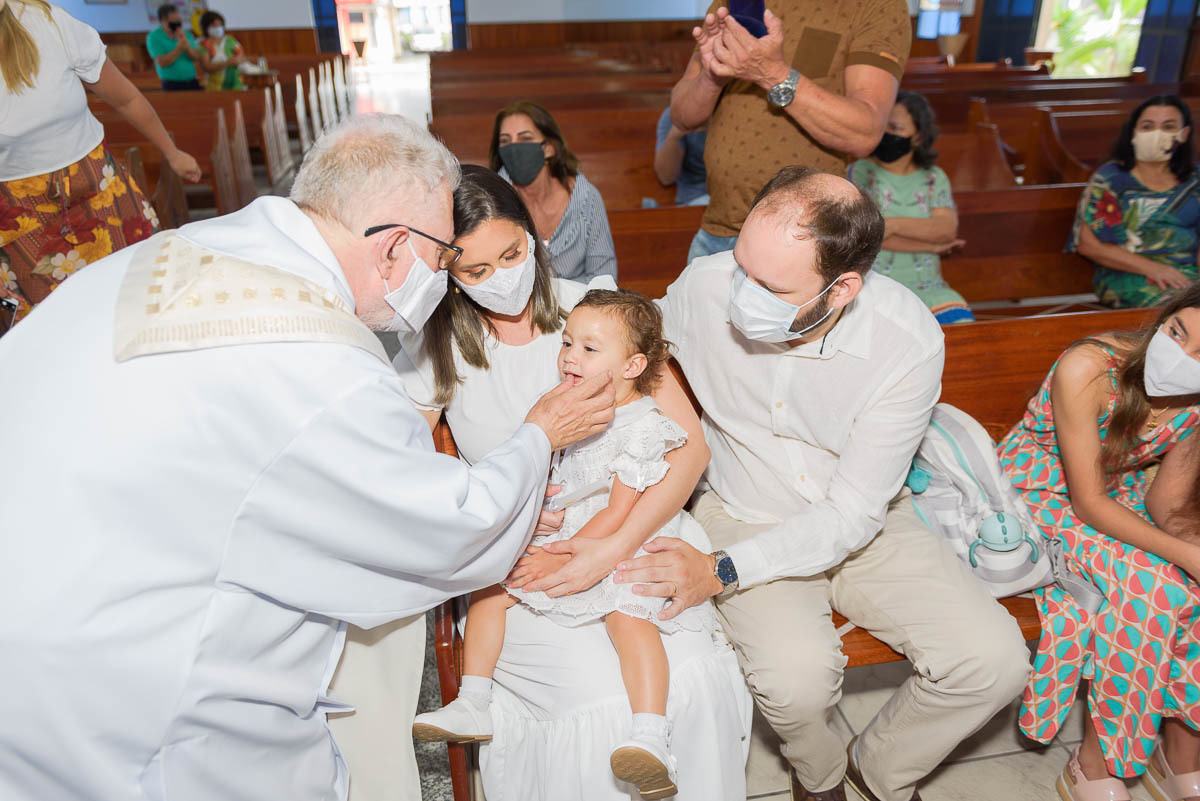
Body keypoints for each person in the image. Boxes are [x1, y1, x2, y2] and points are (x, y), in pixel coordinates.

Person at [0, 114, 616, 801]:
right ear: (393, 249)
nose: (444, 279)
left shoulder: (182, 249)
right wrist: (538, 433)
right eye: (443, 259)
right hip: (122, 696)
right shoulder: (322, 361)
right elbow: (451, 529)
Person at [600, 166, 1031, 801]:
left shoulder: (905, 340)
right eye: (741, 264)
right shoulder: (706, 284)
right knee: (795, 681)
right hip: (746, 505)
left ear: (842, 289)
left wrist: (719, 571)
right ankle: (821, 776)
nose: (740, 291)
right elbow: (639, 346)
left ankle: (878, 769)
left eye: (770, 285)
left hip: (869, 521)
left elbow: (853, 512)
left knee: (992, 663)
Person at [394, 165, 751, 801]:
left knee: (692, 675)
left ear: (531, 235)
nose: (502, 277)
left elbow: (688, 449)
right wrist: (499, 512)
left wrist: (611, 547)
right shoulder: (437, 343)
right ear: (445, 270)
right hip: (517, 546)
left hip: (634, 526)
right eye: (474, 271)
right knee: (599, 699)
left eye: (511, 252)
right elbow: (409, 462)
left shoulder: (599, 311)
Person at [414, 288, 718, 800]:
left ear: (633, 365)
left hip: (617, 536)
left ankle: (650, 734)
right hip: (565, 524)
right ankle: (474, 700)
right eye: (568, 343)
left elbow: (620, 510)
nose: (571, 357)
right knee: (492, 591)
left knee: (629, 620)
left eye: (589, 349)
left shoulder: (643, 426)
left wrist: (569, 549)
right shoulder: (565, 402)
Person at [998, 283, 1200, 801]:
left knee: (1191, 591)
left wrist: (1193, 549)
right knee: (1156, 589)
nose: (1181, 355)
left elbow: (1166, 503)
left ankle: (1181, 754)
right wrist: (1189, 557)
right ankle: (1096, 764)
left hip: (1119, 491)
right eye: (1177, 331)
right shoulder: (1088, 368)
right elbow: (1086, 502)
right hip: (1038, 489)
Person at [0, 0, 202, 326]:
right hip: (23, 221)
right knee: (60, 327)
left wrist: (172, 152)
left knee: (146, 303)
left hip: (100, 196)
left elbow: (127, 98)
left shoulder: (49, 23)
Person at [670, 1, 911, 263]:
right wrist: (711, 73)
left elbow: (865, 131)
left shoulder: (876, 5)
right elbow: (683, 117)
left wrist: (773, 75)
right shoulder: (737, 2)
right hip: (716, 231)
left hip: (804, 243)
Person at [848, 90, 972, 323]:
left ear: (918, 137)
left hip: (928, 287)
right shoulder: (862, 172)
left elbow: (946, 230)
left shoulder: (933, 177)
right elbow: (865, 236)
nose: (886, 134)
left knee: (961, 324)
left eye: (895, 128)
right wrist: (931, 245)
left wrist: (890, 225)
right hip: (873, 286)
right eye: (883, 125)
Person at [1070, 95, 1200, 309]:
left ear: (1184, 134)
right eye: (1148, 126)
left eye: (1168, 126)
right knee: (1179, 311)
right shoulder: (1111, 178)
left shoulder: (1195, 180)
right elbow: (1088, 245)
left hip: (1187, 276)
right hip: (1130, 274)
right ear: (1133, 133)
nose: (1157, 133)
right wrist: (1155, 269)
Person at [490, 100, 618, 281]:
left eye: (525, 139)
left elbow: (604, 273)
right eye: (505, 141)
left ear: (549, 148)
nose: (515, 149)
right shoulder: (492, 201)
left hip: (582, 304)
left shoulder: (586, 198)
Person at [654, 107, 708, 206]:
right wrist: (676, 134)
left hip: (734, 196)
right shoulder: (673, 114)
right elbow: (666, 178)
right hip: (697, 197)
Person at [146, 2, 205, 91]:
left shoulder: (187, 34)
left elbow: (196, 57)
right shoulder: (154, 37)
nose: (177, 25)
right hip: (172, 84)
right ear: (163, 19)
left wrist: (187, 46)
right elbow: (161, 62)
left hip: (192, 81)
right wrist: (179, 49)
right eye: (174, 22)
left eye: (179, 21)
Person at [196, 10, 249, 91]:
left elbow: (243, 57)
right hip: (215, 86)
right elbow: (206, 66)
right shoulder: (203, 44)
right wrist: (227, 63)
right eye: (214, 25)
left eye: (220, 25)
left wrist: (237, 61)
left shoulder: (231, 41)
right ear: (206, 27)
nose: (218, 28)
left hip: (236, 84)